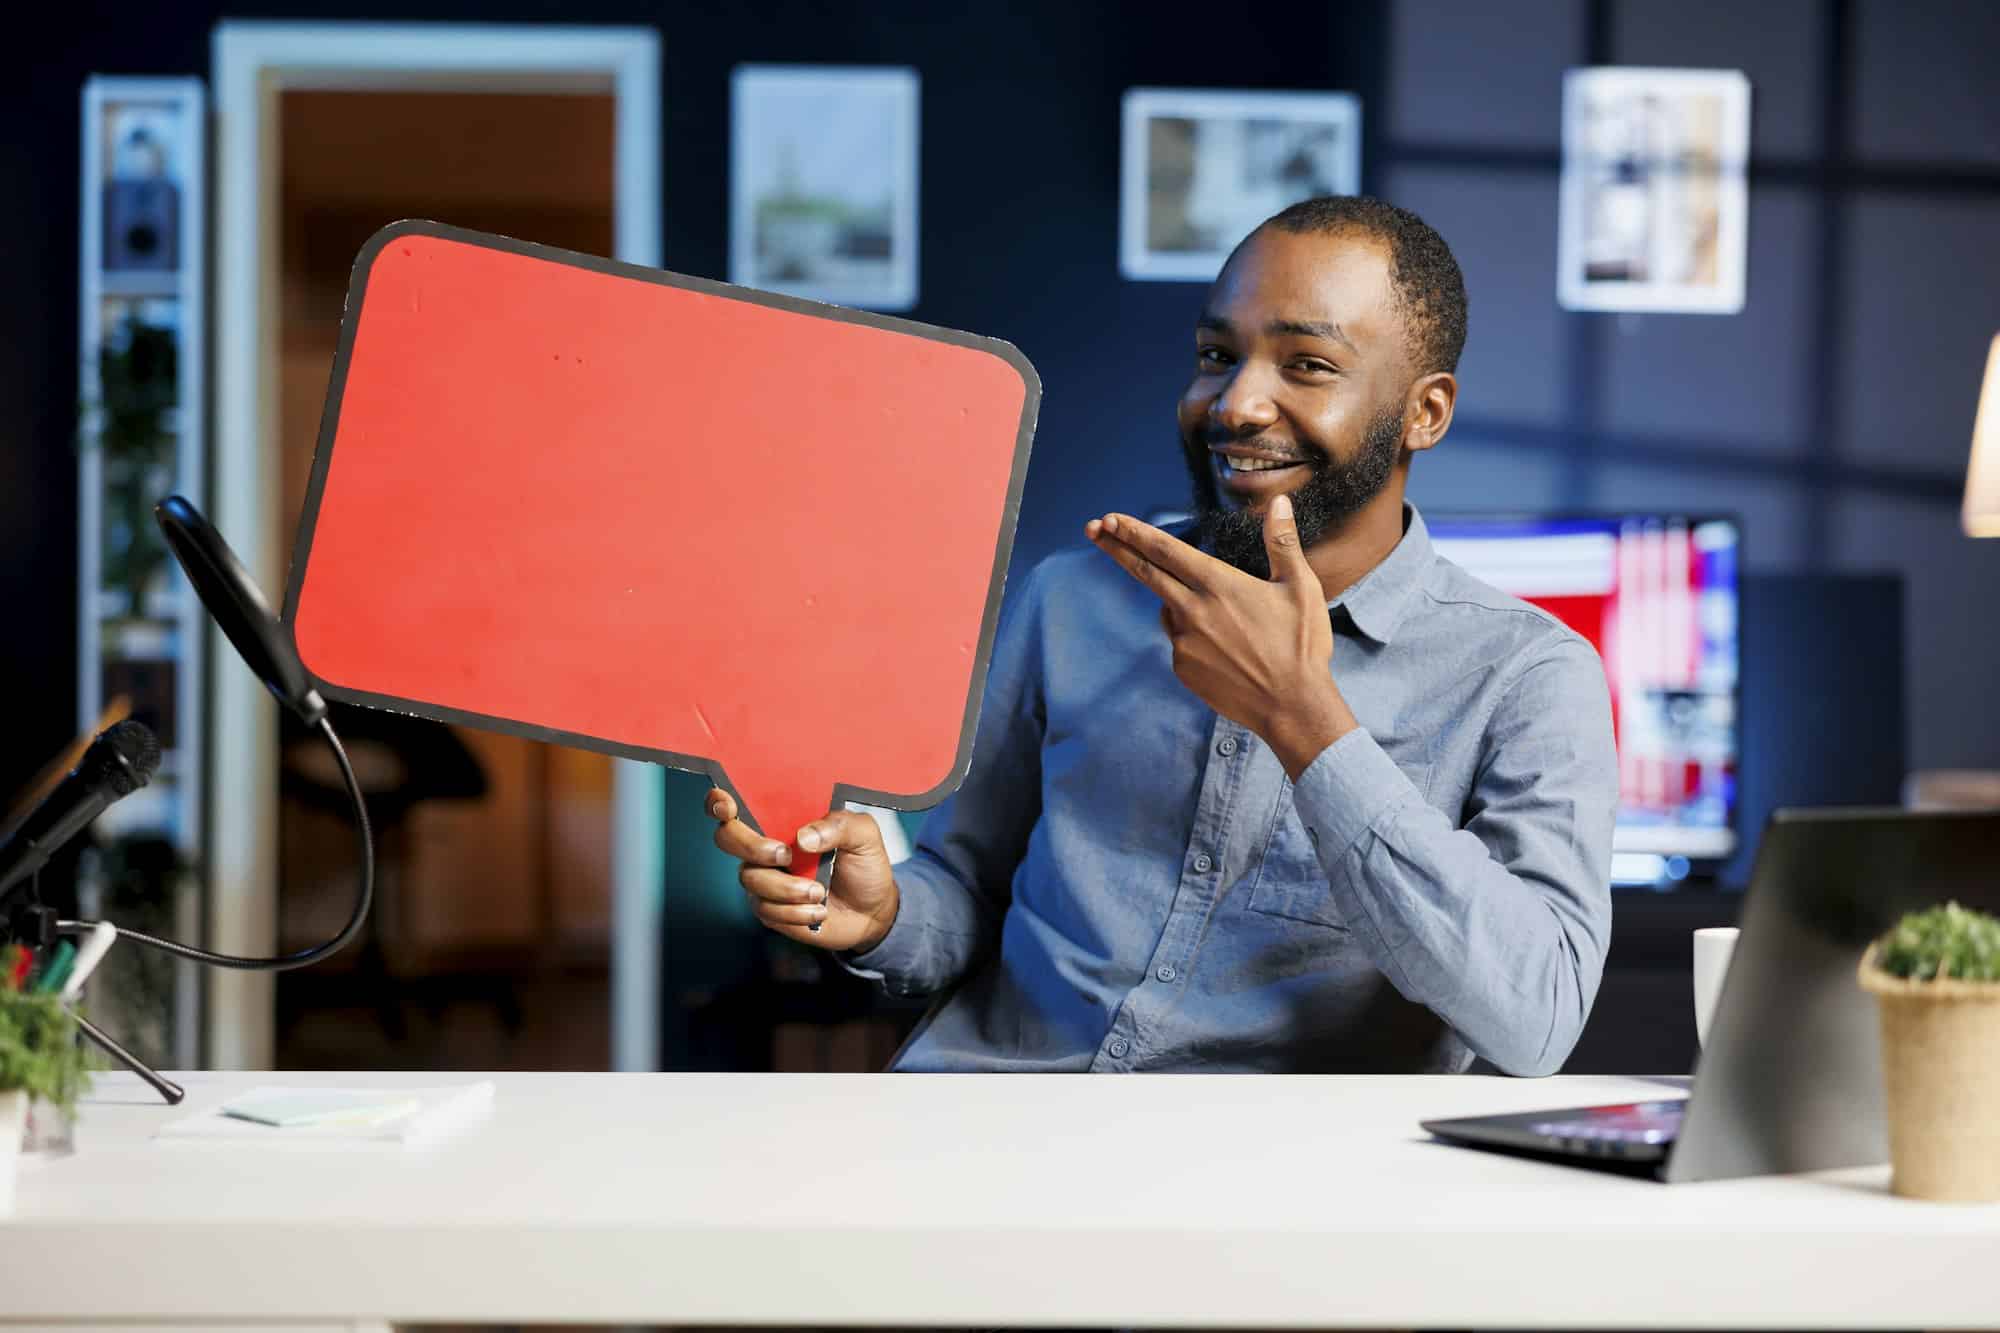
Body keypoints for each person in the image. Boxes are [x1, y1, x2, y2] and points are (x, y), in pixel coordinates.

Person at [707, 196, 1619, 1075]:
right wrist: (882, 915)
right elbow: (971, 899)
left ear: (1425, 411)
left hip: (1256, 1194)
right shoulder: (1070, 600)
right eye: (1218, 355)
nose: (1236, 405)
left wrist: (1306, 722)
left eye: (1307, 364)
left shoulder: (1529, 675)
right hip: (981, 1127)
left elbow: (1535, 1018)